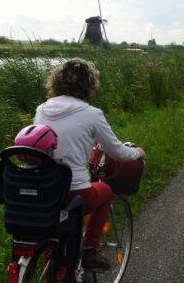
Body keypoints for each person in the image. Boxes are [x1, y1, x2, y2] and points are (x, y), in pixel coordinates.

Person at [33, 58, 146, 271]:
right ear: (89, 84)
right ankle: (89, 250)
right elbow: (118, 152)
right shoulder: (91, 114)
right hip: (74, 192)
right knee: (104, 191)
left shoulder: (41, 110)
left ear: (56, 82)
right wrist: (137, 152)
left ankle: (53, 260)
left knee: (54, 230)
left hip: (43, 190)